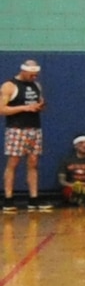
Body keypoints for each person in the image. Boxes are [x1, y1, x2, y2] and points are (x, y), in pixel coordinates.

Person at [1, 59, 46, 208]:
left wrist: (39, 106)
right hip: (16, 128)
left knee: (33, 162)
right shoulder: (9, 86)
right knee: (13, 163)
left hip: (34, 127)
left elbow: (38, 103)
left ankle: (33, 199)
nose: (34, 77)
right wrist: (25, 108)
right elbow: (2, 109)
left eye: (36, 75)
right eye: (32, 75)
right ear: (24, 71)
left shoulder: (36, 86)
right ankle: (8, 199)